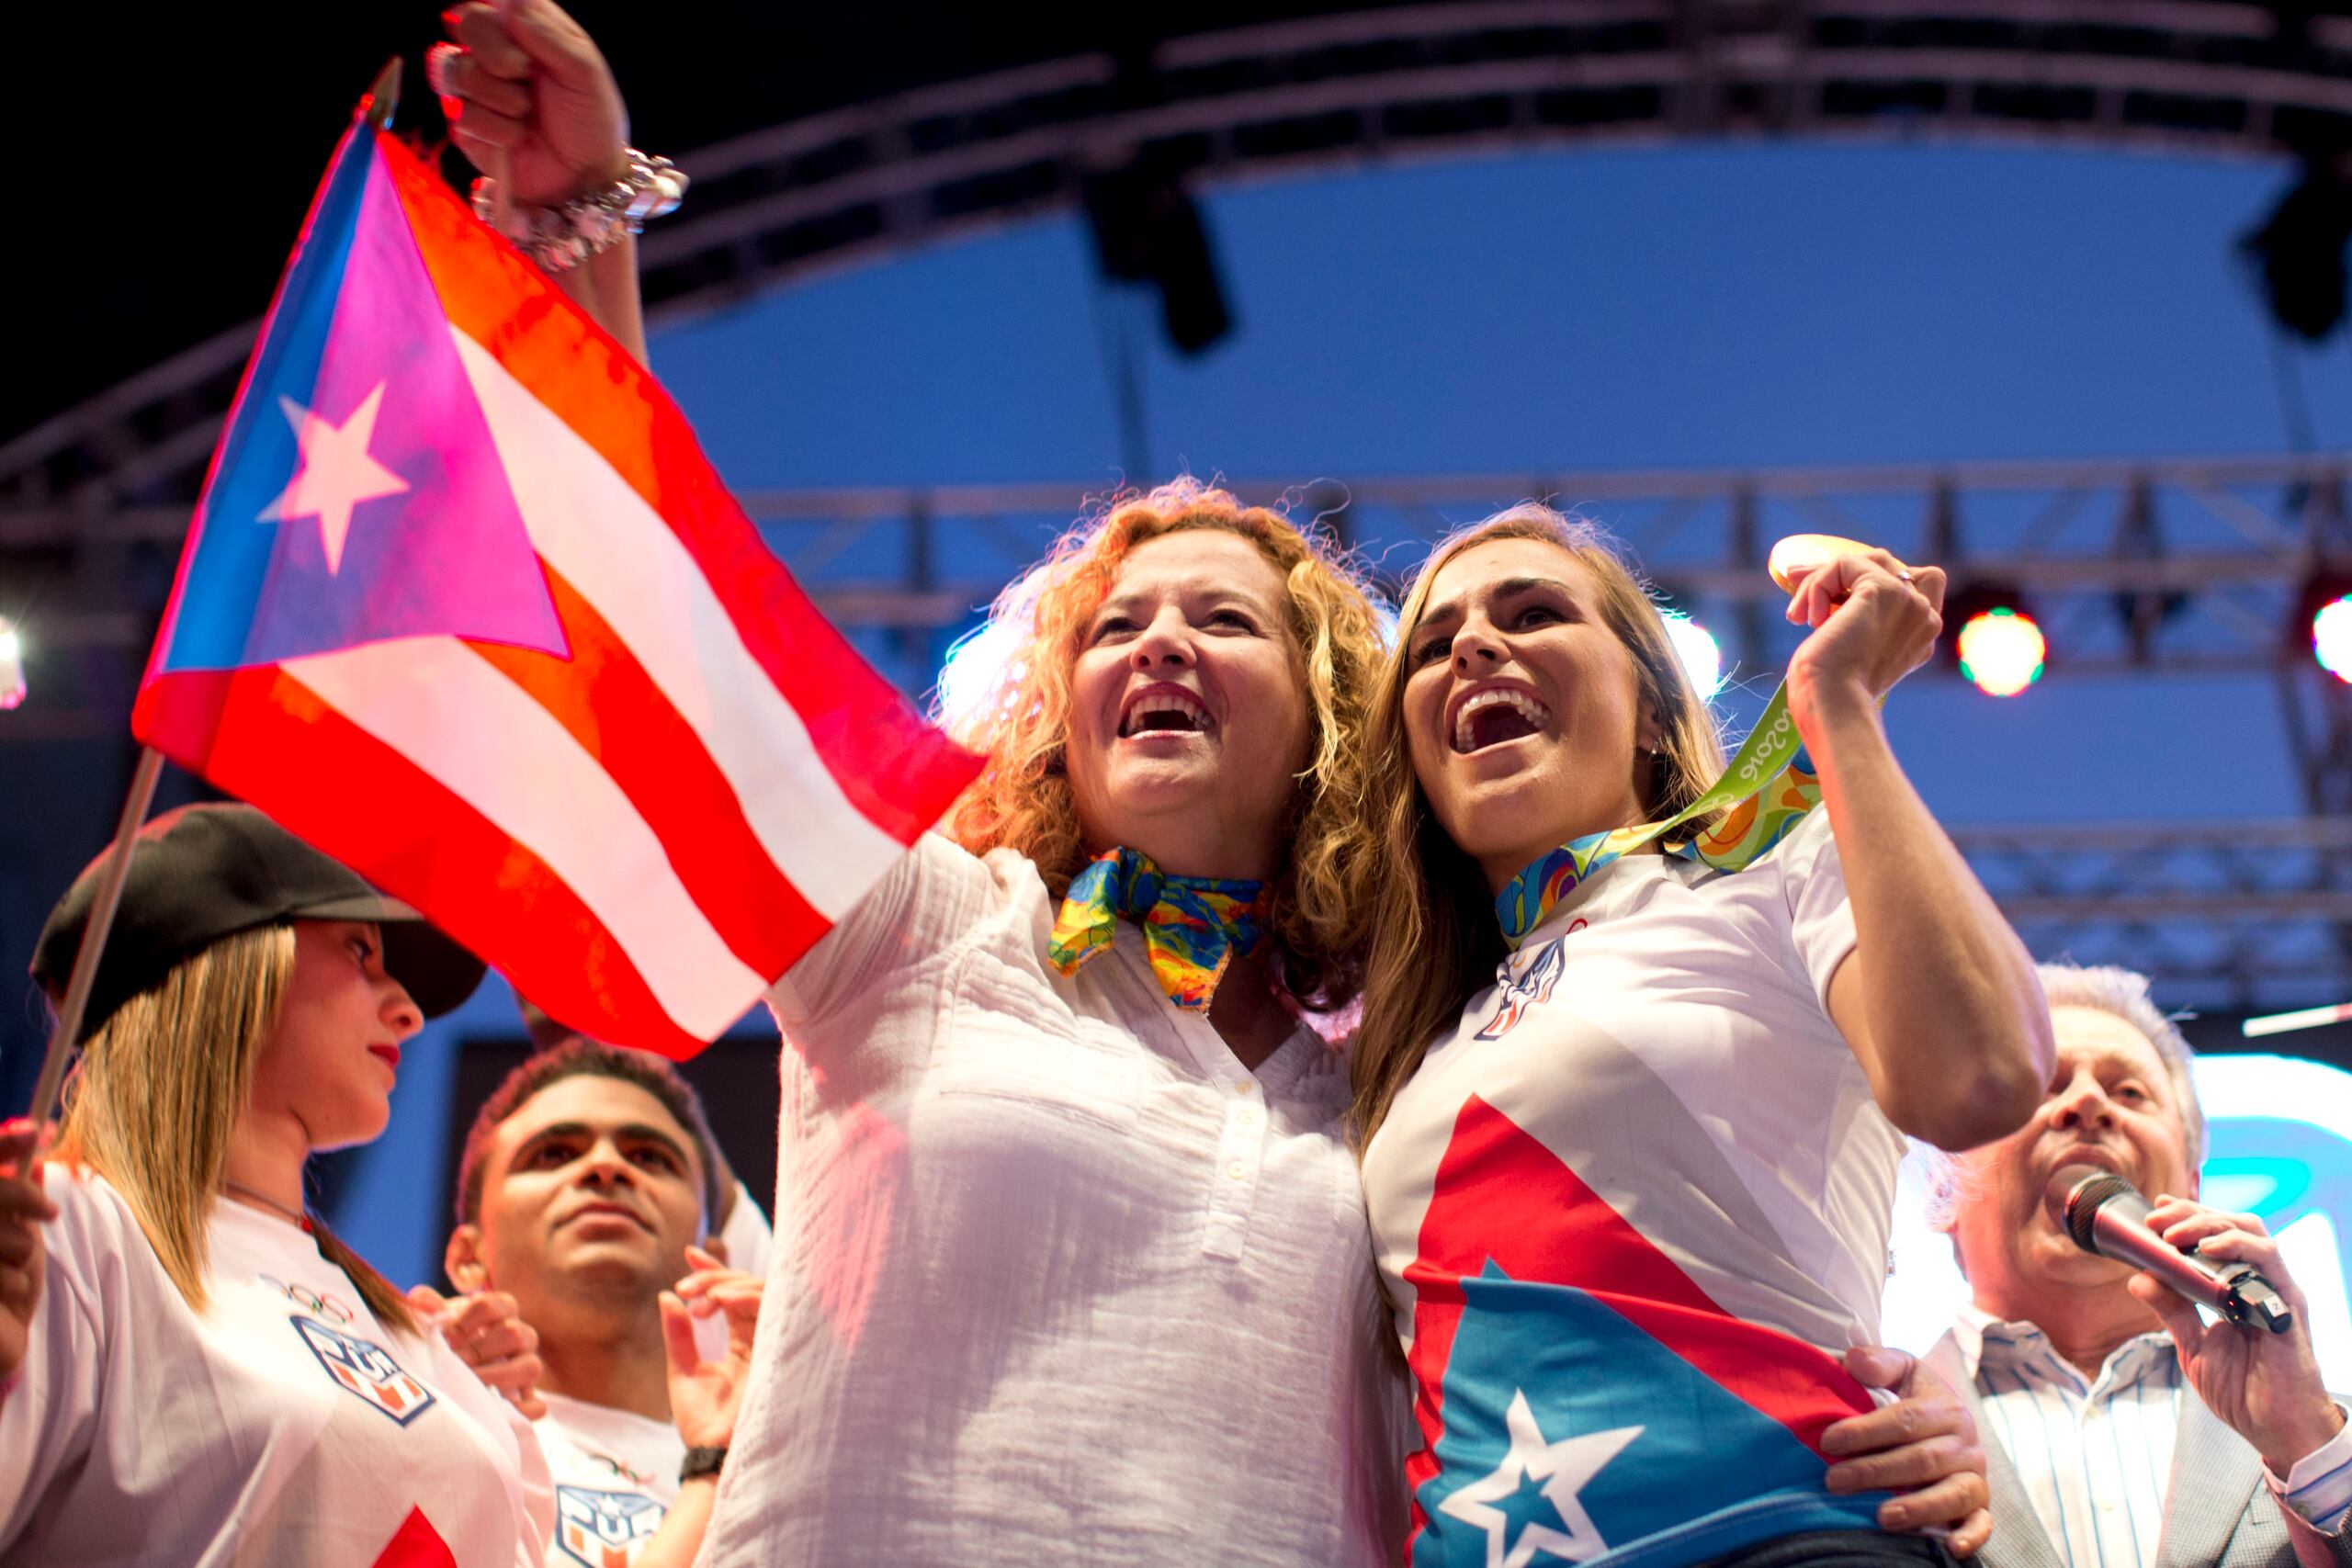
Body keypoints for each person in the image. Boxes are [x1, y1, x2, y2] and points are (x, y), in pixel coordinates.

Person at [431, 11, 2016, 1559]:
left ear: (1334, 723)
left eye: (1222, 620)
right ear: (1062, 711)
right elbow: (673, 653)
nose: (1160, 644)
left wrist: (1942, 1402)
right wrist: (576, 235)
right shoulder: (920, 929)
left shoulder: (1388, 1078)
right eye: (1118, 625)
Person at [1350, 505, 2055, 1568]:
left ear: (1646, 708)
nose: (1476, 648)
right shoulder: (1408, 1047)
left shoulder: (1761, 873)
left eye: (1532, 613)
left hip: (1785, 1542)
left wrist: (1838, 708)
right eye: (1436, 644)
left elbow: (1981, 1078)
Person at [0, 802, 553, 1566]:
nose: (408, 1012)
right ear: (226, 966)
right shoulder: (69, 1231)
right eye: (361, 952)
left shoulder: (414, 1334)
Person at [1924, 962, 2352, 1568]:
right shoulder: (1873, 1425)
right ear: (1945, 1186)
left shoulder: (2323, 1433)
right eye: (2042, 1087)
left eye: (2129, 1091)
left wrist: (2307, 1442)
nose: (2089, 1101)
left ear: (2190, 1187)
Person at [444, 1039, 765, 1568]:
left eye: (650, 1158)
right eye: (553, 1153)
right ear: (468, 1257)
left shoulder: (788, 1471)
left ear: (711, 1255)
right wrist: (714, 1468)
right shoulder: (431, 1441)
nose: (606, 1166)